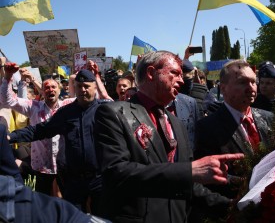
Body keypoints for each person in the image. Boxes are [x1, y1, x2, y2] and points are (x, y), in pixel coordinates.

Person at [93, 50, 244, 223]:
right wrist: (189, 170)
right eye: (175, 73)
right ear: (151, 73)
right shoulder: (114, 113)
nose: (181, 80)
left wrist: (234, 207)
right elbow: (117, 174)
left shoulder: (177, 123)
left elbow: (185, 183)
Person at [9, 69, 112, 215]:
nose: (83, 90)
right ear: (74, 88)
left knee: (101, 216)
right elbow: (40, 130)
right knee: (74, 217)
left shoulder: (106, 110)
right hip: (74, 181)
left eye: (87, 86)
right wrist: (10, 137)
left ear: (95, 87)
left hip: (99, 179)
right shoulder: (65, 113)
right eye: (79, 86)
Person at [193, 60, 273, 220]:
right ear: (223, 88)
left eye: (253, 81)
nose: (251, 87)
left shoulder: (269, 118)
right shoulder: (205, 128)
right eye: (242, 82)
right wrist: (233, 207)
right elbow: (205, 180)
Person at [0, 62, 75, 196]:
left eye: (53, 87)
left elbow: (90, 98)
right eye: (47, 87)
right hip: (42, 167)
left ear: (59, 90)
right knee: (44, 201)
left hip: (64, 165)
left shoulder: (67, 106)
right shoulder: (34, 107)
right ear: (42, 91)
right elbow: (8, 101)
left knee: (68, 199)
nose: (50, 89)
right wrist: (8, 76)